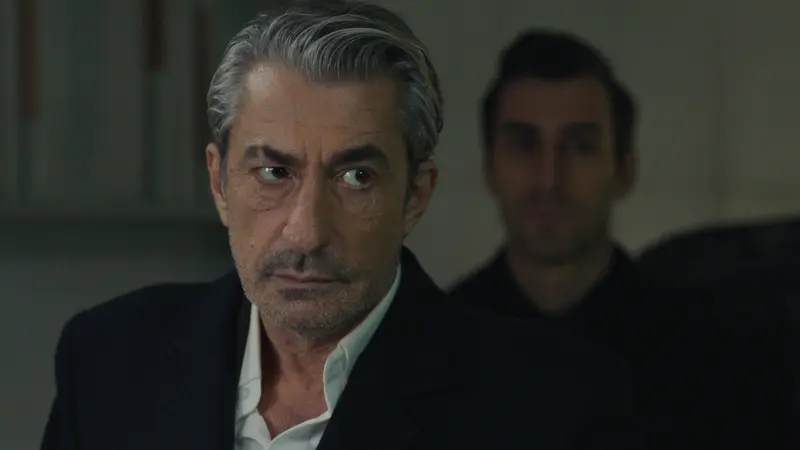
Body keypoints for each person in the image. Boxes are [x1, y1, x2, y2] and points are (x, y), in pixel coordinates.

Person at [40, 3, 642, 450]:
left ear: (415, 196)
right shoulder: (107, 361)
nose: (306, 234)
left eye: (356, 177)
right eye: (274, 172)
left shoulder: (557, 408)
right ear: (220, 182)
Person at [449, 29, 796, 449]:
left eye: (580, 146)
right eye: (524, 145)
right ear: (490, 168)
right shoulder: (429, 354)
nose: (549, 179)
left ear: (624, 170)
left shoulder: (719, 362)